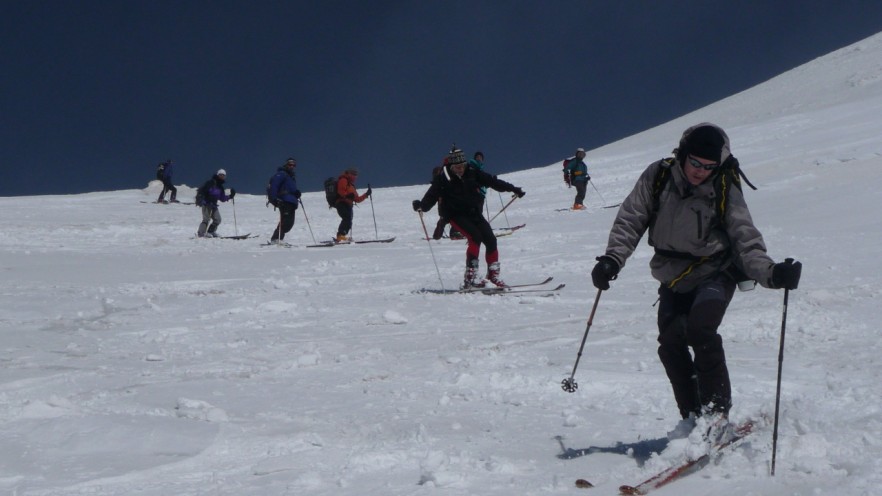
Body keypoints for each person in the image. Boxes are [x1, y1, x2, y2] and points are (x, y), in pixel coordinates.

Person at [590, 123, 802, 436]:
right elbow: (631, 218)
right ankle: (692, 417)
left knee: (701, 330)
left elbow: (744, 236)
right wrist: (612, 259)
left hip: (716, 271)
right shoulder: (659, 175)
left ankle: (716, 415)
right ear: (683, 155)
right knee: (670, 344)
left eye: (708, 166)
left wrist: (771, 273)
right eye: (695, 163)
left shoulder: (725, 186)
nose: (700, 171)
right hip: (672, 275)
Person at [412, 147, 525, 289]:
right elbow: (431, 196)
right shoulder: (443, 179)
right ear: (451, 166)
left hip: (473, 212)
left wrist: (514, 189)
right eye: (457, 167)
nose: (460, 169)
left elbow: (492, 181)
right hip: (455, 214)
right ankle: (470, 278)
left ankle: (493, 275)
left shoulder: (472, 172)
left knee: (491, 240)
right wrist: (421, 206)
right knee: (475, 237)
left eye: (462, 166)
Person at [268, 158, 302, 244]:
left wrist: (296, 193)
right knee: (286, 221)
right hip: (284, 200)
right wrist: (274, 198)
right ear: (286, 165)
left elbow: (290, 189)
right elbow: (274, 185)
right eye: (290, 164)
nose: (292, 166)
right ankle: (276, 239)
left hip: (291, 202)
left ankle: (278, 239)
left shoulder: (291, 177)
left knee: (289, 223)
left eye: (294, 165)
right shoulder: (282, 174)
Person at [334, 167, 371, 242]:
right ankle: (340, 236)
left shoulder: (351, 186)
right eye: (354, 174)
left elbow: (357, 199)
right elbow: (340, 191)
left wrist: (366, 194)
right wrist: (347, 195)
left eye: (356, 175)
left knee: (348, 220)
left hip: (348, 205)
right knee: (347, 218)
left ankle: (342, 236)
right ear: (349, 173)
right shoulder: (343, 180)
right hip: (342, 203)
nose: (355, 176)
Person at [195, 169, 235, 238]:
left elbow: (222, 198)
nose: (222, 176)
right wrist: (202, 198)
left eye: (223, 175)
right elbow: (203, 191)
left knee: (218, 219)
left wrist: (230, 196)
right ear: (217, 175)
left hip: (213, 205)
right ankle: (201, 233)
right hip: (207, 203)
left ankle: (211, 231)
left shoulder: (221, 187)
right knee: (206, 219)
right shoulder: (211, 183)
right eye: (221, 175)